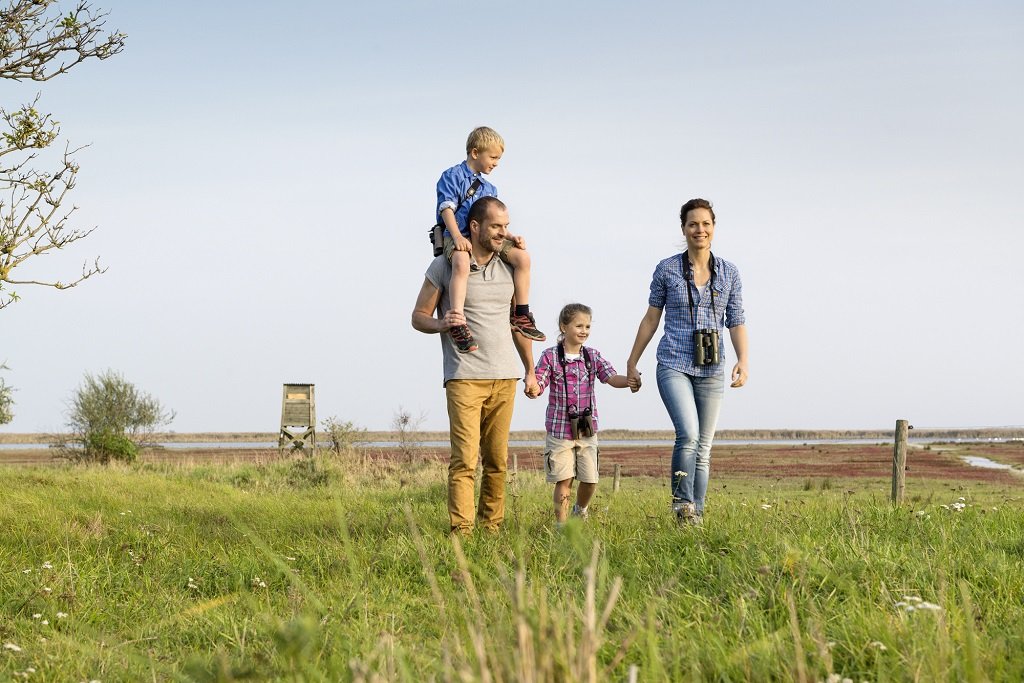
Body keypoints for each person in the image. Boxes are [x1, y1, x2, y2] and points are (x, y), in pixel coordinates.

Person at [412, 196, 540, 535]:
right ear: (475, 227)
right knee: (465, 461)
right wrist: (444, 324)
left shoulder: (510, 267)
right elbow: (418, 317)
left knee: (497, 462)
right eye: (496, 226)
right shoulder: (445, 266)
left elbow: (518, 324)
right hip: (465, 378)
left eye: (506, 226)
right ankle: (462, 532)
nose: (503, 233)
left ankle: (491, 528)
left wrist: (529, 370)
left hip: (505, 377)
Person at [625, 198, 748, 525]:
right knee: (689, 434)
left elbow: (736, 321)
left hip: (712, 368)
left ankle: (697, 518)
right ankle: (682, 505)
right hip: (674, 363)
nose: (700, 229)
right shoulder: (667, 269)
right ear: (683, 229)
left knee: (704, 448)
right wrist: (632, 361)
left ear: (713, 228)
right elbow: (651, 319)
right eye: (693, 224)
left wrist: (743, 360)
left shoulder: (730, 273)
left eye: (705, 224)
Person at [435, 126, 545, 353]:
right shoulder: (452, 176)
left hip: (484, 237)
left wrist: (510, 236)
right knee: (462, 262)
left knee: (522, 258)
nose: (496, 163)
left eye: (499, 159)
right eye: (493, 157)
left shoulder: (489, 187)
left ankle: (521, 315)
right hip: (456, 235)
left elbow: (493, 220)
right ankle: (458, 321)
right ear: (475, 153)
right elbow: (446, 209)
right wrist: (456, 237)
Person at [530, 304, 631, 524]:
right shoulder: (550, 356)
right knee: (564, 480)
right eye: (579, 325)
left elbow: (611, 378)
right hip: (559, 430)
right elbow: (539, 382)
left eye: (587, 326)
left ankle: (580, 509)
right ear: (563, 327)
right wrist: (533, 388)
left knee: (590, 479)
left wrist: (630, 381)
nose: (584, 330)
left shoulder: (592, 356)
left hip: (586, 429)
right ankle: (562, 526)